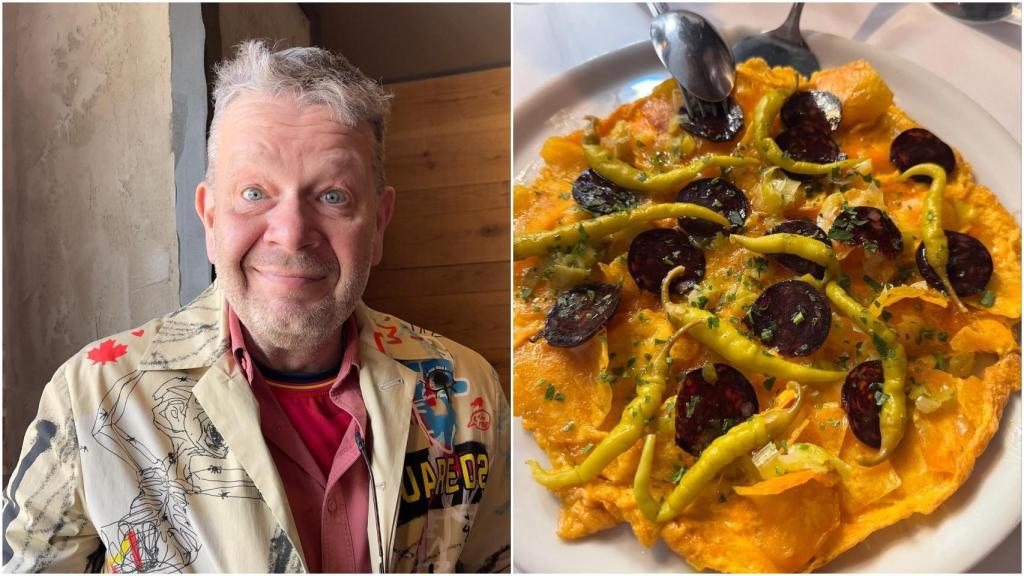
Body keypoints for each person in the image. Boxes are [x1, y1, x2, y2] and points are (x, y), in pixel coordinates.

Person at [2, 40, 509, 573]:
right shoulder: (90, 398)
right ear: (210, 216)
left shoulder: (465, 385)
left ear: (378, 223)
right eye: (253, 194)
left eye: (333, 195)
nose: (291, 235)